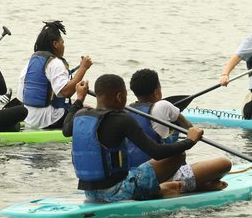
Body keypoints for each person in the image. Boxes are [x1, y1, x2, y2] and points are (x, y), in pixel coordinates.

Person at [63, 74, 205, 202]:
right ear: (119, 97)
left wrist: (79, 99)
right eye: (125, 95)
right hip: (118, 191)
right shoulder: (122, 119)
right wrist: (189, 141)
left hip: (90, 193)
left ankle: (162, 189)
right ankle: (159, 191)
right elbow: (156, 152)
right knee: (178, 155)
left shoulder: (81, 115)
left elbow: (65, 130)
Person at [128, 68, 231, 192]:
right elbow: (190, 128)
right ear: (156, 92)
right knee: (225, 163)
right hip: (165, 176)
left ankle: (201, 184)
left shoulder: (127, 111)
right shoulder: (163, 105)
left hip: (134, 176)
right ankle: (195, 185)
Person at [16, 21, 92, 130]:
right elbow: (66, 92)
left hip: (29, 118)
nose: (63, 46)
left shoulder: (30, 63)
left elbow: (20, 97)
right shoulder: (55, 63)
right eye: (62, 42)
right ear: (56, 44)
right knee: (89, 113)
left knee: (83, 107)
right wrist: (83, 68)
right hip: (49, 120)